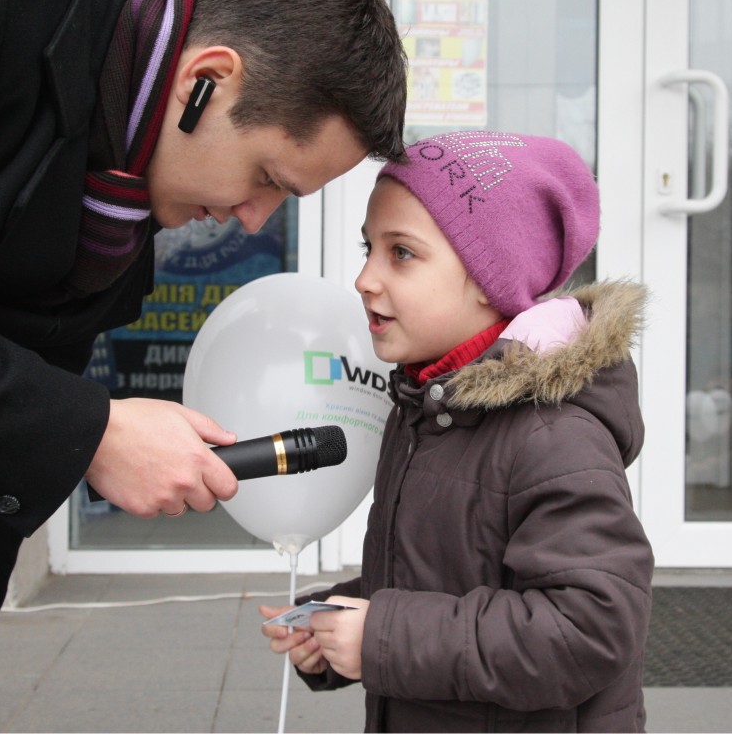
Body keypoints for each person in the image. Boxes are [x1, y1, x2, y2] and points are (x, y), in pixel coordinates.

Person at [0, 0, 406, 730]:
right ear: (207, 78)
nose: (256, 219)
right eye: (265, 178)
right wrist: (95, 433)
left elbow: (4, 416)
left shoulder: (117, 212)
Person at [260, 131, 654, 732]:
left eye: (401, 253)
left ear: (490, 279)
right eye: (368, 247)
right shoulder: (427, 406)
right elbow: (443, 575)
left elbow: (588, 628)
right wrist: (344, 618)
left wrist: (384, 636)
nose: (365, 278)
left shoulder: (553, 435)